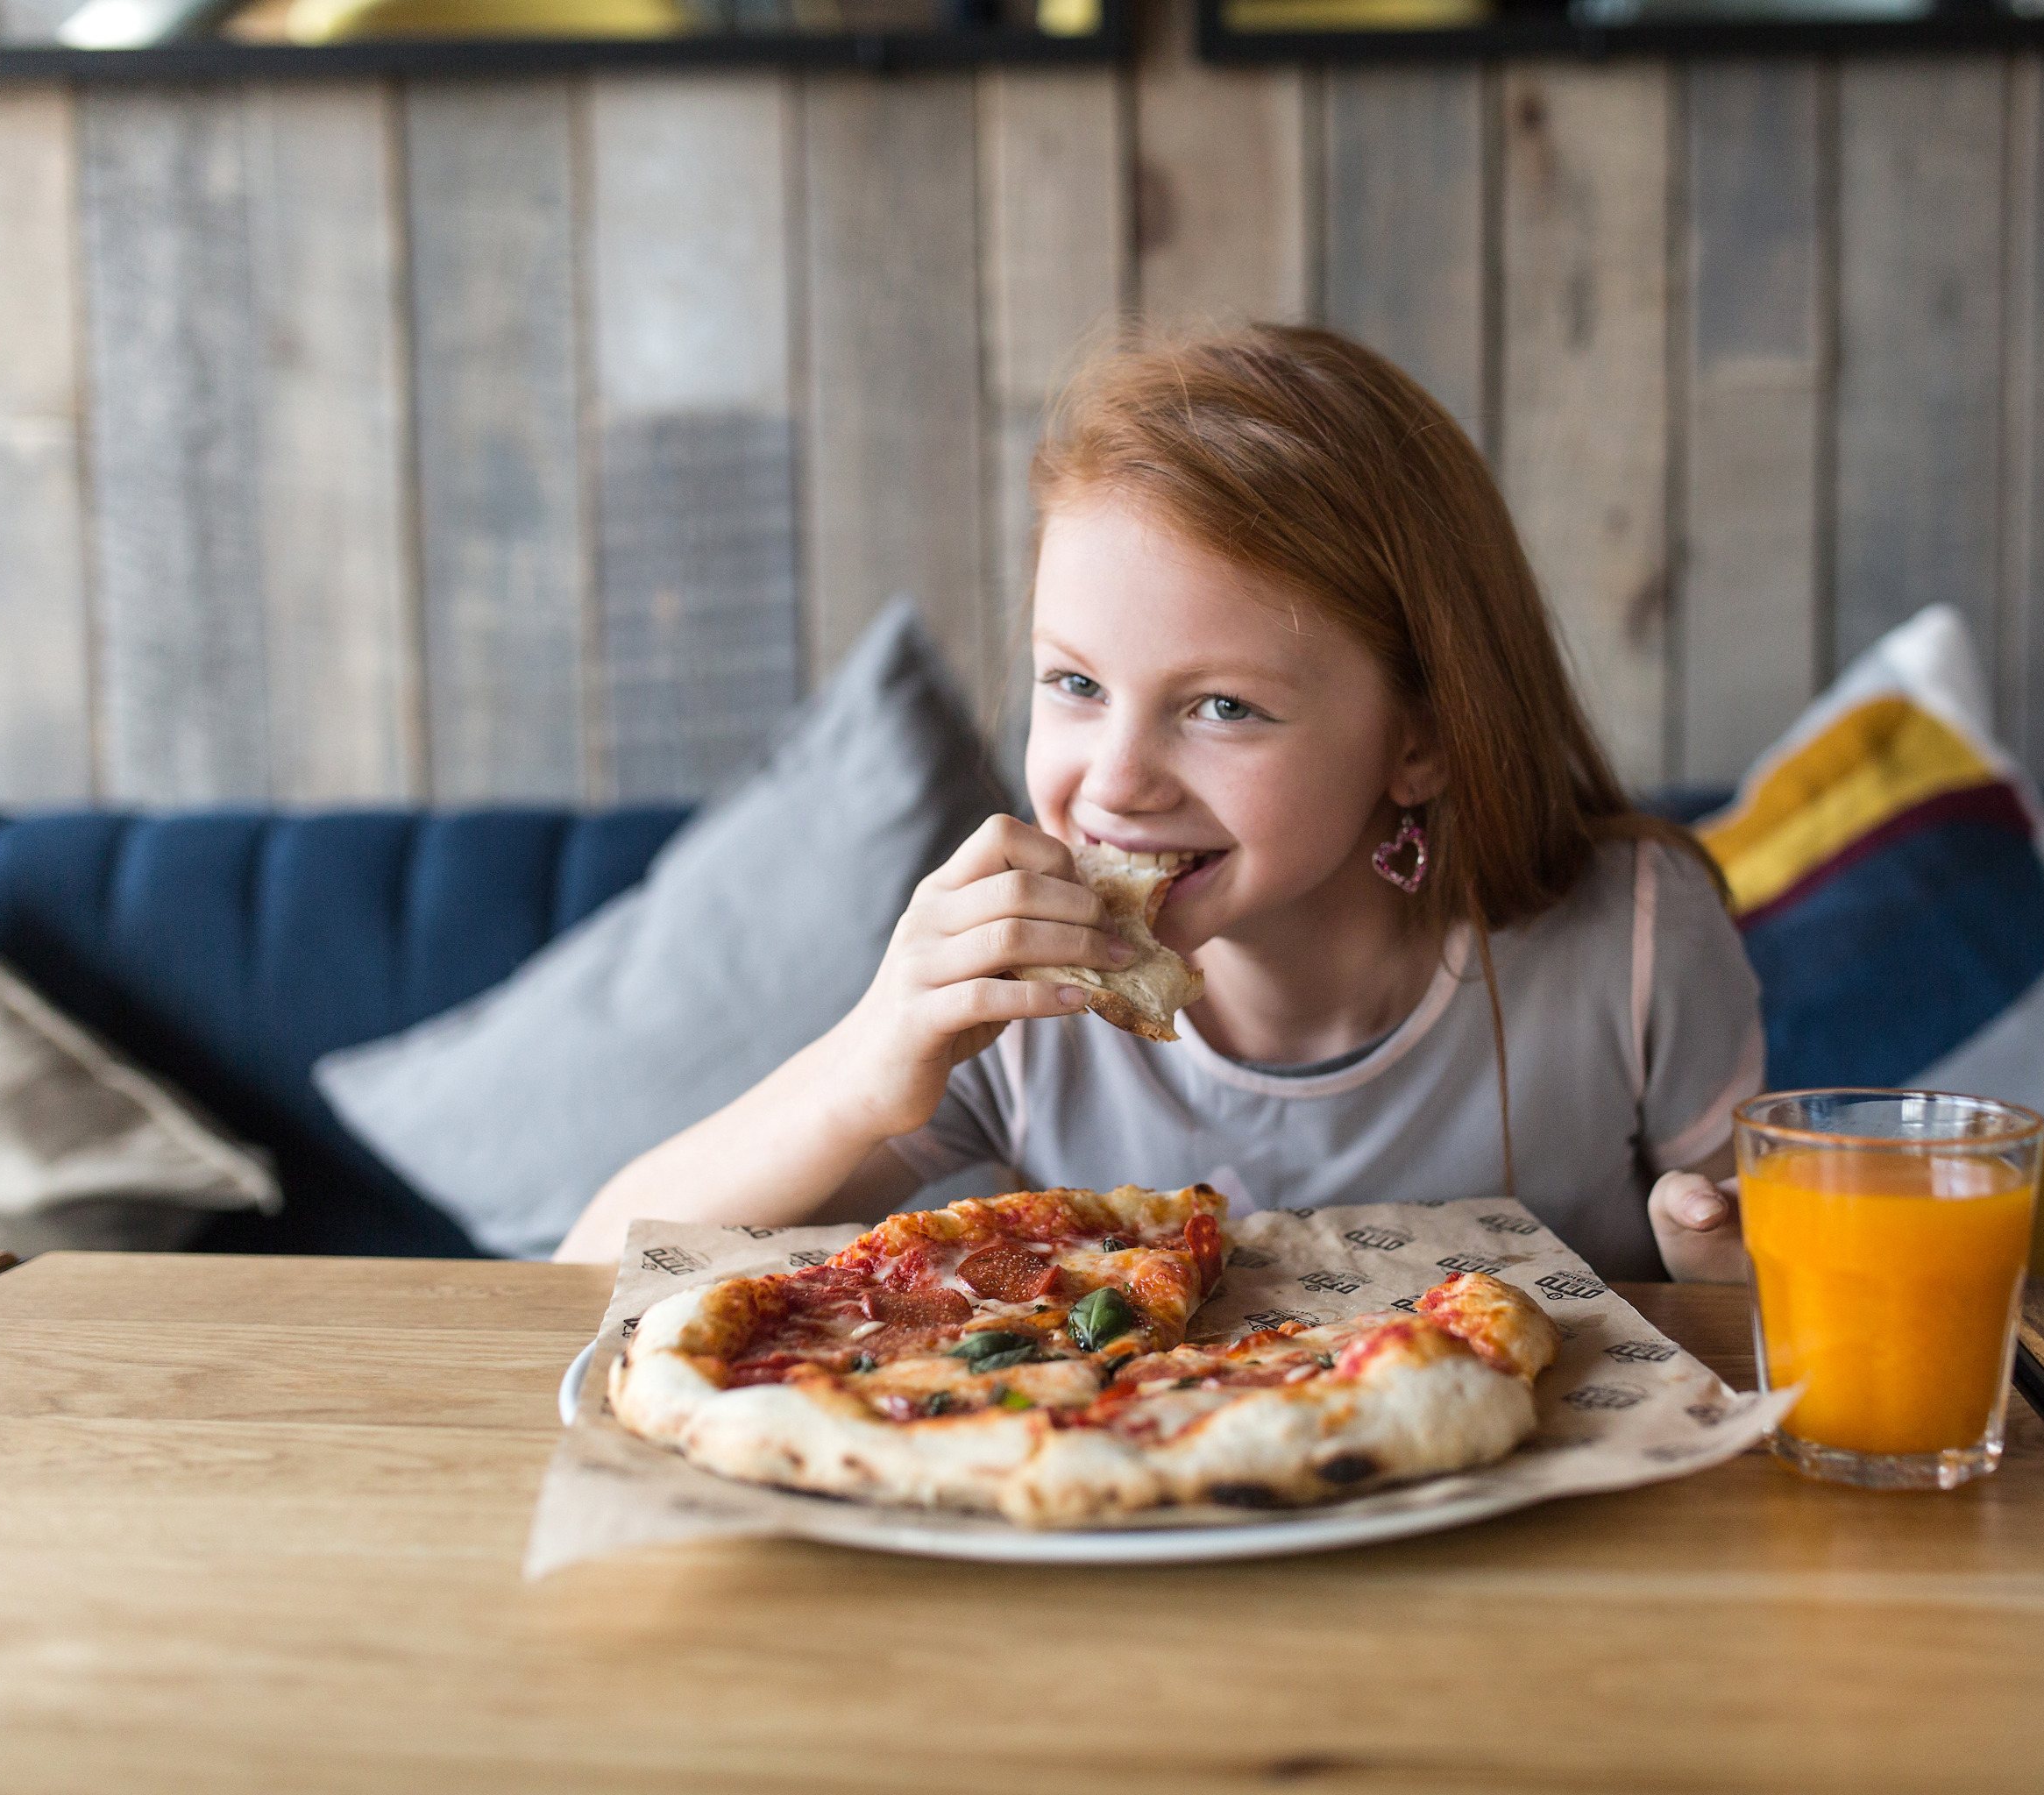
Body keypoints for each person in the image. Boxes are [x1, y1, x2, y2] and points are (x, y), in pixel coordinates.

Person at [554, 325, 1761, 1282]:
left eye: (1221, 707)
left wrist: (1718, 1267)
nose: (1114, 782)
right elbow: (589, 1271)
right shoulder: (1023, 993)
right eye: (1075, 684)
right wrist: (864, 1068)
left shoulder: (1637, 945)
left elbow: (1760, 1310)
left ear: (1424, 740)